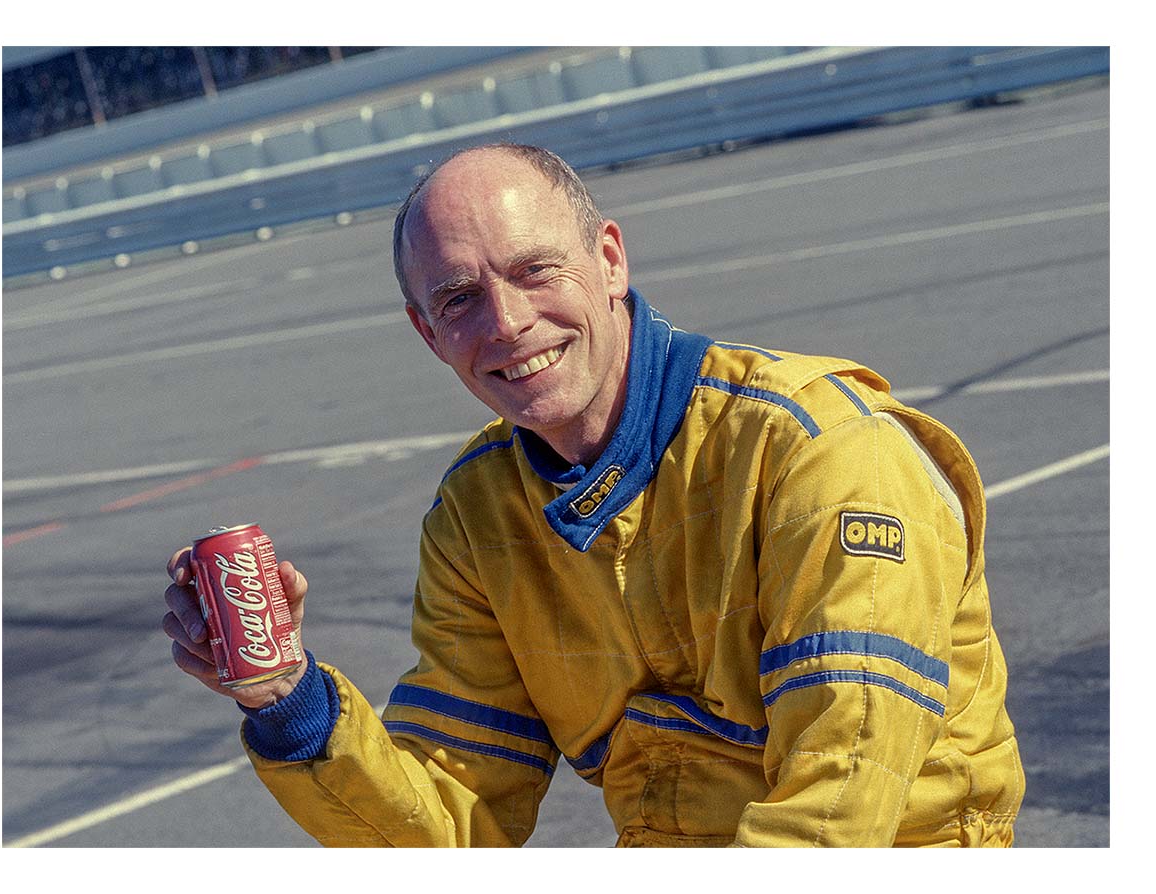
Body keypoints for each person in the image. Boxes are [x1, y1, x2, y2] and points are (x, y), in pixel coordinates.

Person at [163, 142, 1024, 847]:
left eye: (535, 271)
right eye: (459, 299)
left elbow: (839, 799)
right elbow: (454, 828)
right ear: (427, 334)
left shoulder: (819, 448)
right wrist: (285, 701)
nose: (505, 323)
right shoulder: (478, 514)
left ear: (609, 260)